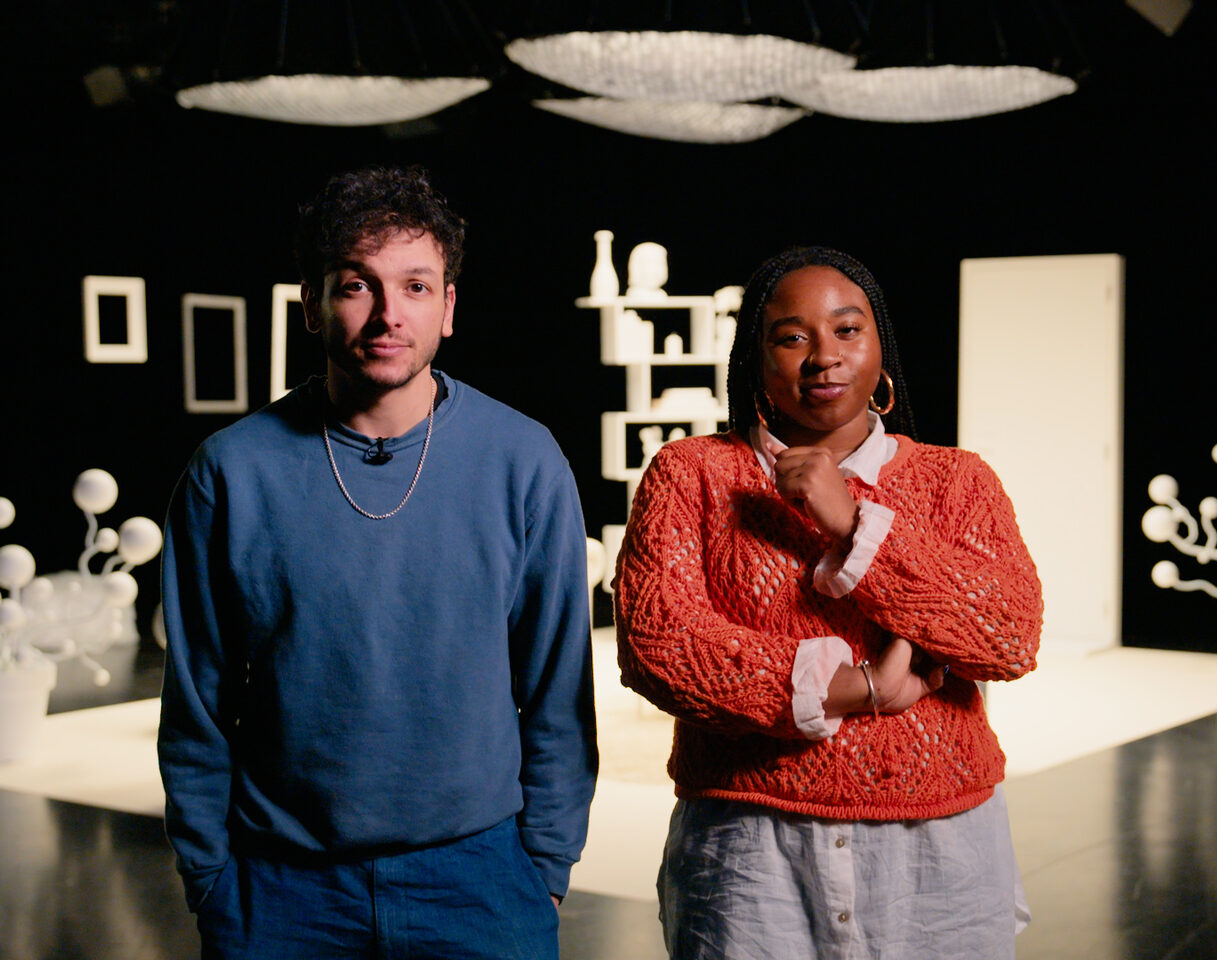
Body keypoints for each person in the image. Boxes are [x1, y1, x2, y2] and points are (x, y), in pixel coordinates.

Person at [158, 165, 598, 960]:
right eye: (358, 285)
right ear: (312, 306)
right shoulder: (231, 471)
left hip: (481, 882)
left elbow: (557, 687)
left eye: (416, 286)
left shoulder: (523, 461)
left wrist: (545, 864)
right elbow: (197, 697)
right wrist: (210, 877)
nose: (389, 314)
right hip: (278, 890)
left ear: (448, 308)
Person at [613, 246, 1042, 960]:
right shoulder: (691, 474)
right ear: (755, 359)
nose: (824, 357)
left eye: (847, 330)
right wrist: (861, 687)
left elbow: (1007, 635)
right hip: (750, 853)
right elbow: (660, 647)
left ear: (880, 350)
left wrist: (854, 524)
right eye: (791, 337)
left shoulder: (958, 482)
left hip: (936, 855)